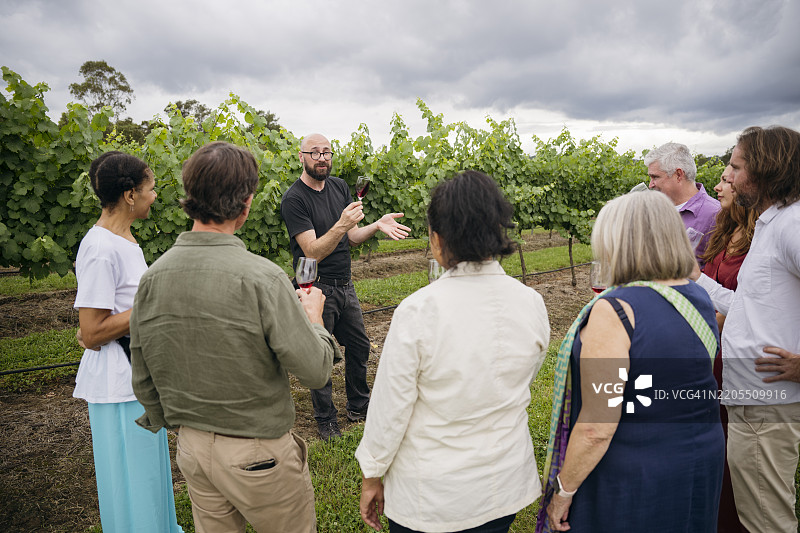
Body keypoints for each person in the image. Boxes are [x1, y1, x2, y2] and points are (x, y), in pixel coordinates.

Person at [130, 142, 338, 533]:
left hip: (191, 449)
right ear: (246, 204)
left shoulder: (152, 276)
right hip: (258, 454)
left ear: (190, 197)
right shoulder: (263, 278)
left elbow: (142, 373)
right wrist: (314, 319)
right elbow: (314, 370)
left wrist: (176, 425)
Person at [356, 170, 551, 533]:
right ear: (498, 230)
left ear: (438, 239)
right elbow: (525, 373)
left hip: (433, 495)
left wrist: (373, 473)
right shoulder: (532, 303)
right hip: (503, 485)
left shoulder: (417, 311)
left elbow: (390, 408)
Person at [543, 191, 723, 533]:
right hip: (698, 459)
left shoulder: (617, 310)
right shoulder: (695, 295)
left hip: (634, 474)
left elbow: (598, 424)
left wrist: (563, 491)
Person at [694, 125, 800, 533]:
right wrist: (695, 280)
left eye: (736, 167)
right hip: (751, 398)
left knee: (766, 520)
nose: (729, 177)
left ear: (765, 171)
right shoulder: (773, 223)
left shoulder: (791, 226)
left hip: (766, 402)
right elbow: (751, 307)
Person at [73, 152, 182, 532]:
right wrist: (155, 305)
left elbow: (100, 317)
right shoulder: (101, 248)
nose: (156, 196)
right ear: (130, 195)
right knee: (134, 484)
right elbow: (91, 332)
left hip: (137, 376)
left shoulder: (124, 240)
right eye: (151, 189)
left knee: (150, 482)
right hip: (118, 386)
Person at [280, 133, 410, 440]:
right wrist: (341, 223)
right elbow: (311, 250)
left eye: (327, 152)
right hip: (314, 285)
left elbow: (350, 238)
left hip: (344, 283)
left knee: (359, 345)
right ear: (302, 157)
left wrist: (376, 225)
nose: (322, 158)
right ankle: (325, 420)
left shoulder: (339, 186)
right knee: (320, 355)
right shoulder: (294, 199)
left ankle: (359, 407)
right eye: (315, 153)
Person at [700, 164, 758, 533]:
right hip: (714, 353)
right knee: (719, 447)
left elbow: (750, 306)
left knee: (740, 456)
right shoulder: (725, 228)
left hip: (737, 355)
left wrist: (694, 280)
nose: (718, 186)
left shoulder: (762, 240)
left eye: (725, 179)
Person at [645, 142, 720, 265]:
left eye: (655, 177)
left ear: (679, 175)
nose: (650, 184)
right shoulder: (656, 209)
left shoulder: (715, 214)